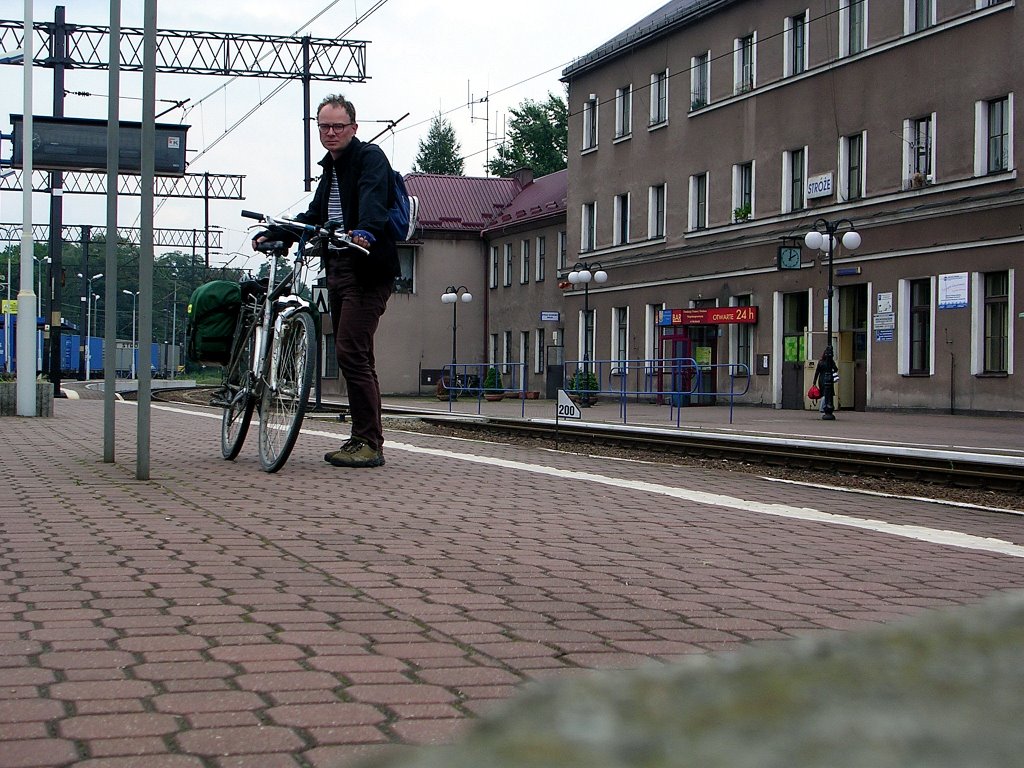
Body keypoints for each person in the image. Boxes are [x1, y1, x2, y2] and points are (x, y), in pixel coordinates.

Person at [253, 94, 398, 468]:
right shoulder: (331, 170)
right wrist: (279, 234)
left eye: (338, 126)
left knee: (351, 350)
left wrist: (365, 230)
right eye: (324, 127)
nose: (331, 133)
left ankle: (369, 442)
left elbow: (373, 202)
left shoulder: (369, 158)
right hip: (336, 269)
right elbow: (315, 215)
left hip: (366, 268)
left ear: (353, 127)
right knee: (357, 353)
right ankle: (361, 439)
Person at [812, 347, 838, 413]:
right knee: (828, 393)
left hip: (821, 379)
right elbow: (836, 369)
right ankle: (823, 407)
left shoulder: (820, 362)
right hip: (829, 379)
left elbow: (817, 372)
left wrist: (814, 382)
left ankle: (824, 406)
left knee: (823, 393)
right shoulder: (831, 361)